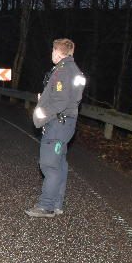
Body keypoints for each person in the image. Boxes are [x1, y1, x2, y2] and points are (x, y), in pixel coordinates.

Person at [26, 38, 86, 218]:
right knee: (59, 164)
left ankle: (46, 206)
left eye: (53, 50)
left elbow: (60, 101)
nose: (51, 53)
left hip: (58, 124)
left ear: (58, 52)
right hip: (66, 123)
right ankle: (57, 204)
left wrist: (40, 114)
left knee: (49, 164)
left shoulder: (62, 71)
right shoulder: (75, 70)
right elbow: (69, 98)